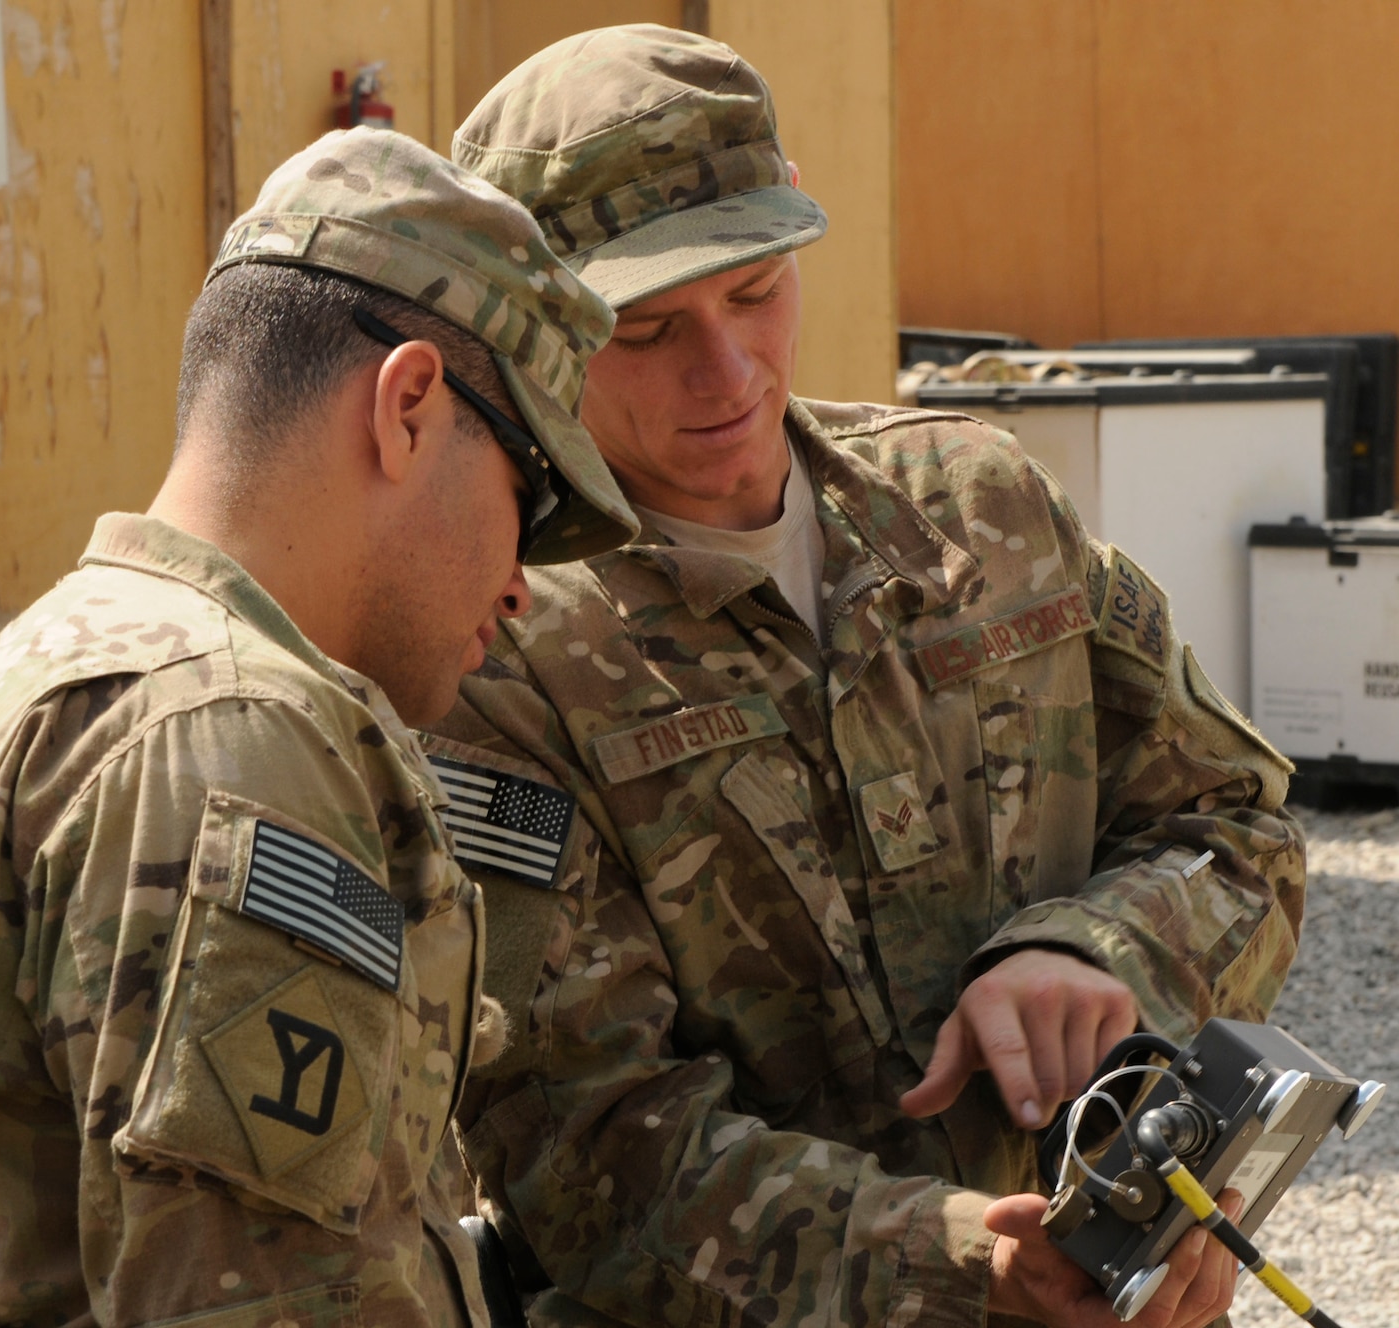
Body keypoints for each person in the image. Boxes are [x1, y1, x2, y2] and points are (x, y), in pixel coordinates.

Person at [423, 25, 1303, 1328]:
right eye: (648, 326)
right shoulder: (493, 652)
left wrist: (1096, 947)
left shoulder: (985, 508)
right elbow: (593, 1154)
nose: (725, 374)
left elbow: (1241, 832)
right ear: (534, 330)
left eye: (757, 292)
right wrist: (965, 1266)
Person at [0, 126, 636, 1328]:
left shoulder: (51, 657)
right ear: (405, 408)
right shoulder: (236, 733)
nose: (520, 583)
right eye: (528, 493)